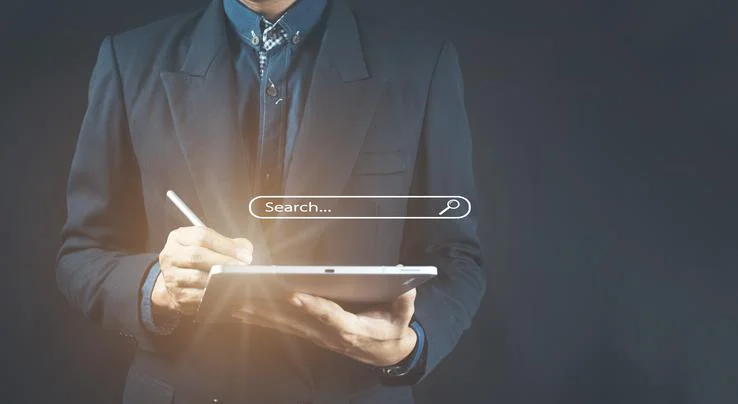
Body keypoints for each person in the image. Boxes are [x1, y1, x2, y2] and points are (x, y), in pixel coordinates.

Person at [56, 0, 485, 402]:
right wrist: (157, 287)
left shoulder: (420, 63)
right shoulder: (129, 59)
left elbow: (454, 256)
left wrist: (408, 345)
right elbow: (82, 253)